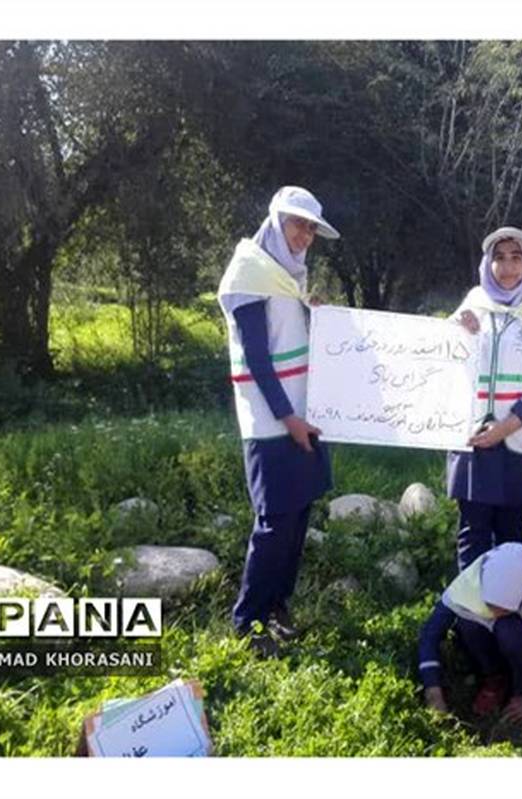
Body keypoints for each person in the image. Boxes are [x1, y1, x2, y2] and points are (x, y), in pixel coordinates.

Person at [216, 185, 340, 658]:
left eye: (311, 228)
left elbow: (291, 337)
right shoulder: (248, 273)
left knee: (299, 515)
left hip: (304, 414)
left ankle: (277, 606)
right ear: (275, 222)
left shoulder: (287, 275)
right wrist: (287, 418)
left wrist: (315, 316)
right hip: (272, 422)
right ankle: (247, 621)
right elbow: (257, 357)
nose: (305, 235)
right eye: (297, 225)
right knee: (274, 523)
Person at [446, 227, 522, 571]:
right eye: (499, 258)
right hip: (472, 438)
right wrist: (456, 328)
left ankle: (508, 603)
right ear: (487, 263)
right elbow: (441, 362)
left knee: (511, 535)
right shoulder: (472, 306)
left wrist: (504, 428)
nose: (508, 267)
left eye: (516, 258)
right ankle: (470, 605)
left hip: (515, 440)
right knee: (472, 534)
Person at [417, 542, 522, 723]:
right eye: (489, 606)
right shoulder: (469, 582)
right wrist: (432, 689)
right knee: (467, 622)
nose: (493, 614)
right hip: (496, 646)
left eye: (502, 610)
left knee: (509, 631)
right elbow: (430, 633)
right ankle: (494, 679)